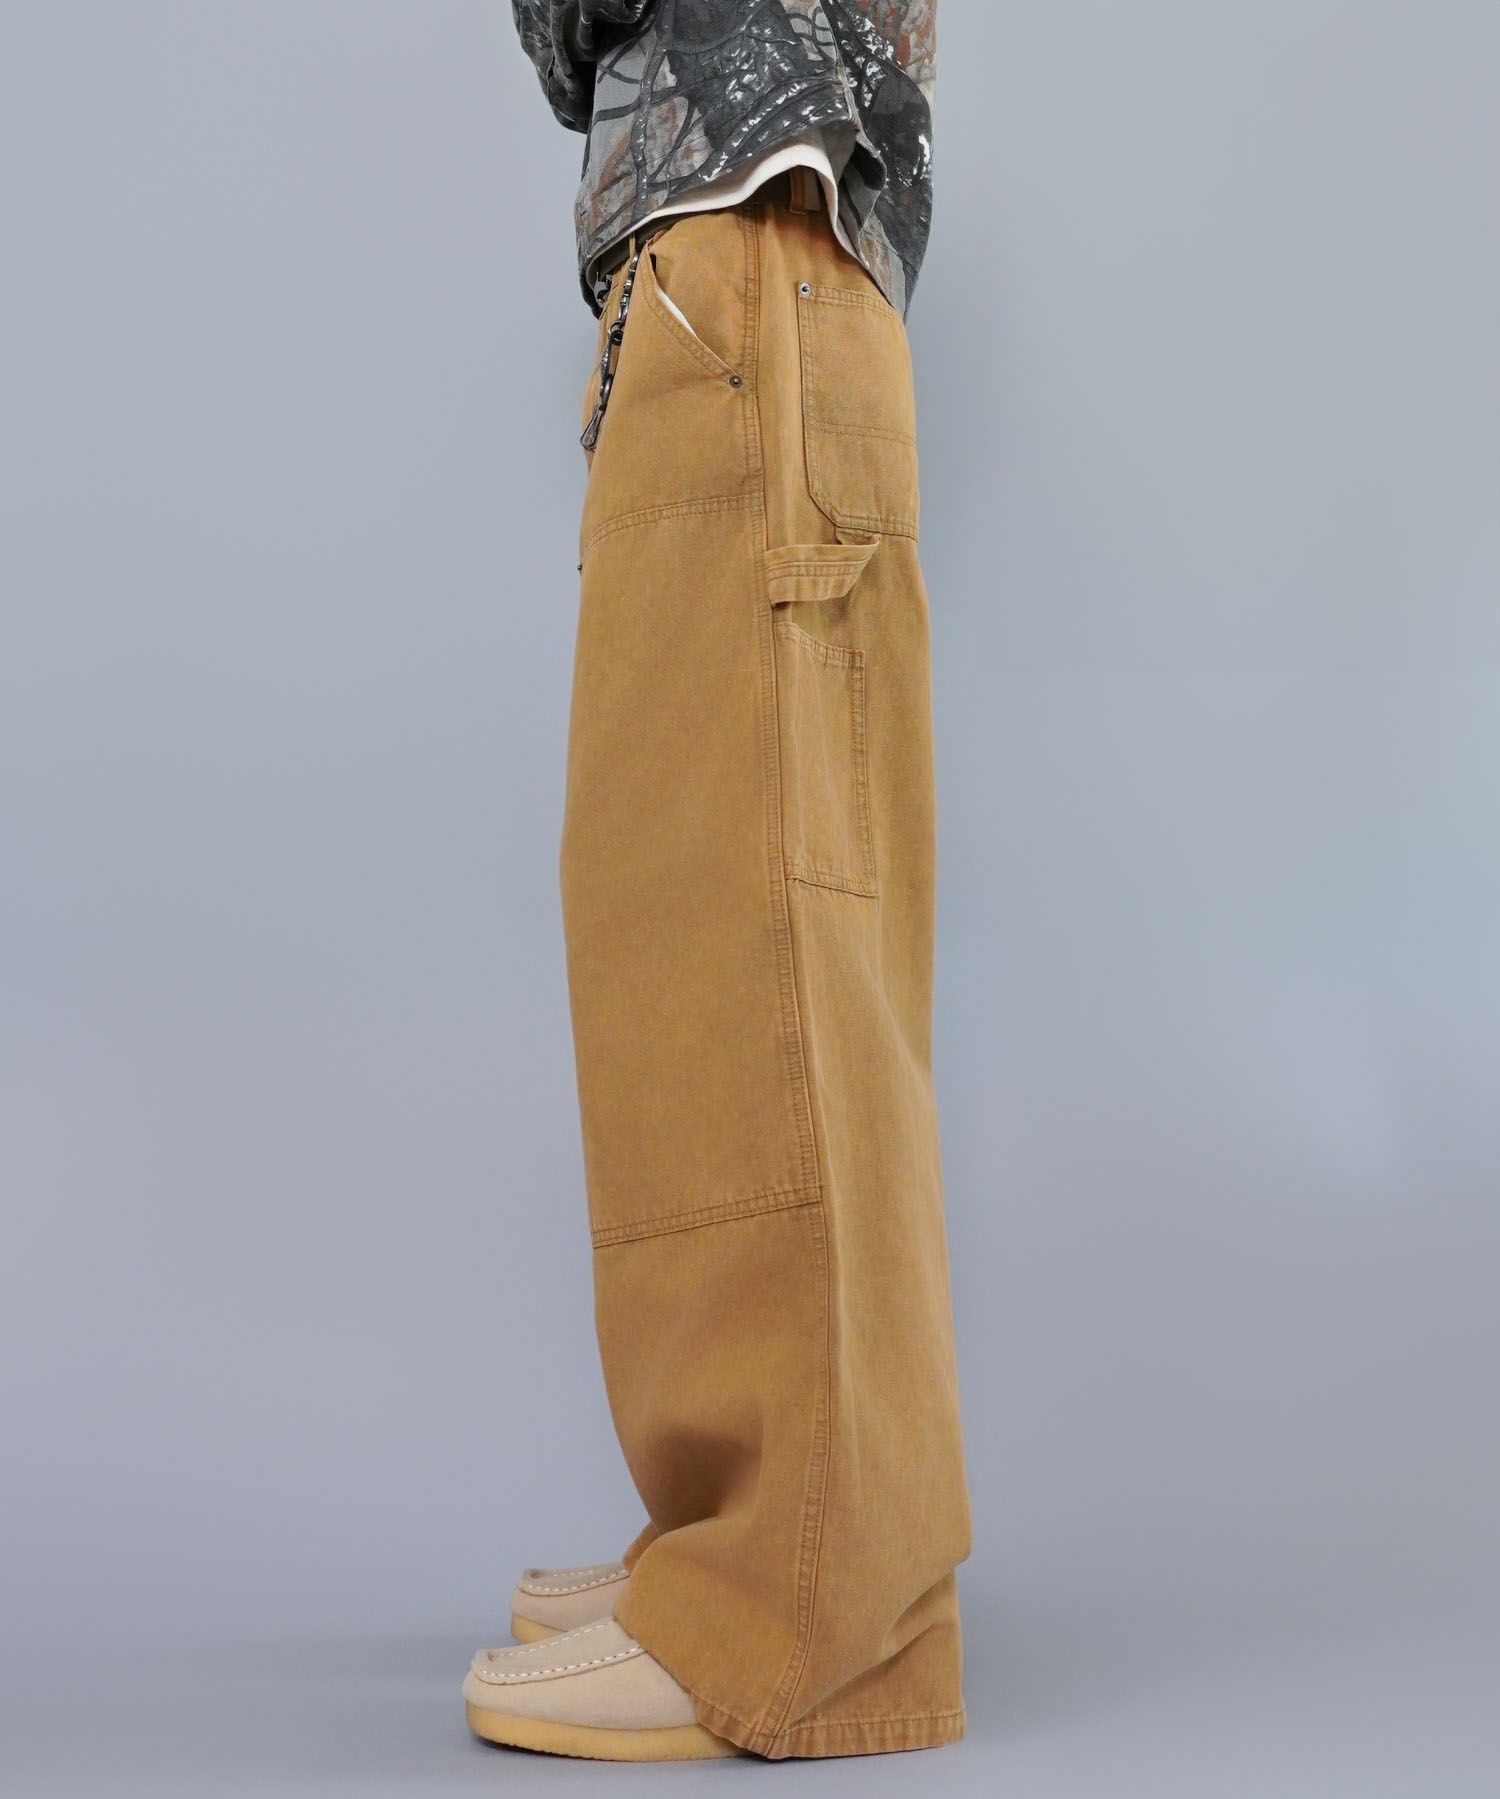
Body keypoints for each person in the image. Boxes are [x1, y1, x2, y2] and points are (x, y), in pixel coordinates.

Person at [463, 0, 970, 1762]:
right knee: (704, 915)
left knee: (763, 927)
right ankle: (755, 1540)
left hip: (756, 245)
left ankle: (799, 1612)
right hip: (744, 262)